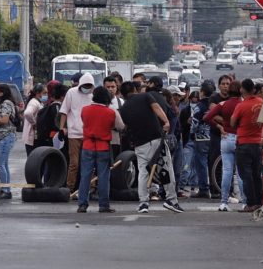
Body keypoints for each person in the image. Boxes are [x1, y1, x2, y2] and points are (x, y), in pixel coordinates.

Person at [118, 78, 184, 214]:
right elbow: (156, 108)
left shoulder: (122, 109)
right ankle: (171, 199)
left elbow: (124, 127)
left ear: (122, 94)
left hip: (139, 144)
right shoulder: (145, 96)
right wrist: (166, 122)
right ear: (134, 90)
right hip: (155, 139)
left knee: (143, 172)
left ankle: (143, 203)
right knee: (165, 168)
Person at [78, 86, 125, 213]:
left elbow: (84, 121)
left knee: (85, 176)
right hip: (103, 146)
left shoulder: (85, 110)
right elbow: (120, 126)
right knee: (104, 176)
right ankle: (103, 205)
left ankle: (82, 204)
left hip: (87, 145)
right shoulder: (111, 112)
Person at [205, 79, 243, 211]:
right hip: (239, 139)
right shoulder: (242, 104)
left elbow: (206, 117)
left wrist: (220, 127)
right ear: (240, 91)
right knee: (239, 172)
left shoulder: (223, 104)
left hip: (225, 138)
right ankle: (244, 202)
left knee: (226, 171)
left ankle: (224, 202)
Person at [230, 79, 263, 212]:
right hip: (257, 143)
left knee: (246, 175)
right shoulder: (261, 103)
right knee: (257, 174)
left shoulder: (241, 106)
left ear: (242, 90)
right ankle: (259, 201)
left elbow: (233, 122)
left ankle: (250, 203)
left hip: (244, 143)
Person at [59, 73, 95, 191]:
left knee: (89, 163)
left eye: (89, 86)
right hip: (74, 133)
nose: (87, 88)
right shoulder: (71, 92)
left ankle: (90, 187)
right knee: (74, 163)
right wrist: (61, 128)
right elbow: (64, 111)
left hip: (88, 134)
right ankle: (70, 188)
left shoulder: (93, 95)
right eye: (85, 85)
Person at [22, 86, 45, 155]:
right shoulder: (34, 102)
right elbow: (27, 113)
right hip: (32, 135)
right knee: (33, 157)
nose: (45, 95)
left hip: (34, 136)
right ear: (38, 93)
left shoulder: (36, 102)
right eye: (44, 93)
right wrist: (34, 123)